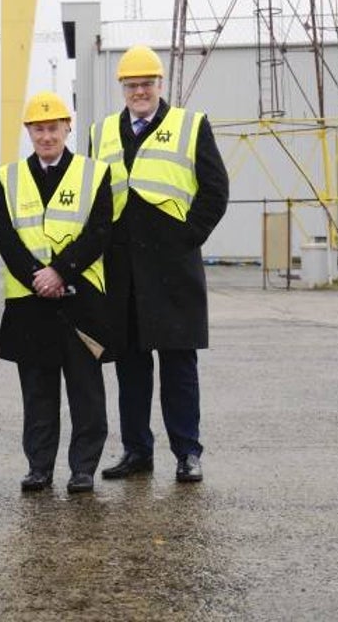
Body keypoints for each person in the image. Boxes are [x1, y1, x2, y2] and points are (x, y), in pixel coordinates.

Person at [91, 45, 229, 483]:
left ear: (159, 85)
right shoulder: (104, 133)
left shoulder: (190, 126)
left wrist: (187, 238)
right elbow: (97, 199)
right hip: (123, 270)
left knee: (178, 366)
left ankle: (188, 453)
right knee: (131, 368)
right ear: (123, 89)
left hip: (172, 270)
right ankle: (137, 452)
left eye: (146, 83)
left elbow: (215, 190)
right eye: (131, 85)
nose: (139, 91)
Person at [0, 92, 113, 494]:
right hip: (31, 304)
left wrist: (60, 271)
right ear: (29, 131)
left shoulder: (95, 173)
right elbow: (6, 237)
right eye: (39, 129)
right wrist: (36, 277)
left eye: (54, 128)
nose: (47, 136)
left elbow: (99, 230)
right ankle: (39, 467)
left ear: (68, 128)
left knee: (86, 392)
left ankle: (83, 469)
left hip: (81, 300)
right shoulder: (8, 178)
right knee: (38, 394)